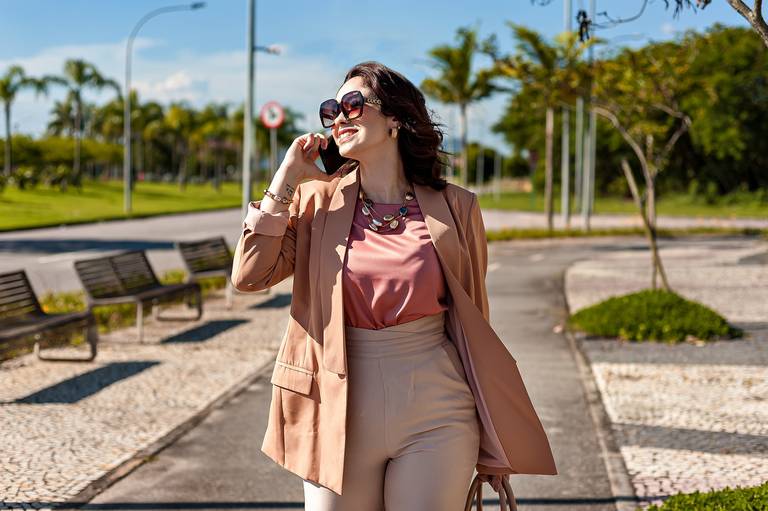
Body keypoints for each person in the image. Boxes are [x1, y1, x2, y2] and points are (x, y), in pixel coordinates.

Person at [231, 61, 557, 511]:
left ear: (396, 119)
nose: (338, 119)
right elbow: (249, 276)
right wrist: (286, 176)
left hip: (437, 410)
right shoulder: (315, 203)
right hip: (334, 406)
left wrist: (491, 434)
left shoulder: (457, 207)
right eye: (331, 110)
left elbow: (475, 319)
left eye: (352, 104)